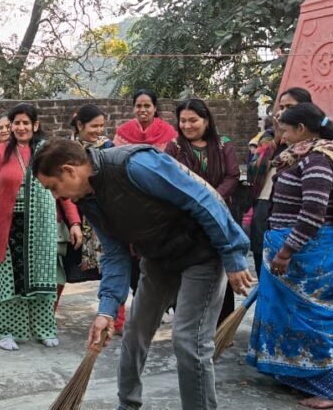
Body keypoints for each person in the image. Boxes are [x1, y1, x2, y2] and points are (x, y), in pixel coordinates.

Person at [32, 138, 253, 410]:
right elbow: (115, 254)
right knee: (135, 334)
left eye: (53, 188)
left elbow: (203, 199)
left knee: (188, 342)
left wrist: (232, 254)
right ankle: (127, 405)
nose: (56, 197)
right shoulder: (89, 199)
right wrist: (106, 310)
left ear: (69, 170)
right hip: (158, 257)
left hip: (202, 254)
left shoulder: (134, 165)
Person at [246, 103, 333, 409]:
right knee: (287, 313)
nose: (282, 135)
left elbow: (313, 212)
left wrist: (286, 251)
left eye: (286, 130)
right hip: (296, 248)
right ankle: (296, 374)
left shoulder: (319, 159)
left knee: (311, 318)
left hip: (307, 253)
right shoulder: (303, 155)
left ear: (302, 129)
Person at [0, 103, 82, 351]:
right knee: (10, 281)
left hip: (42, 228)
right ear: (11, 126)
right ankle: (8, 331)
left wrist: (74, 222)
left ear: (35, 125)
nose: (21, 127)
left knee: (44, 279)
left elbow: (63, 189)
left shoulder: (48, 153)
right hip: (9, 227)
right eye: (17, 123)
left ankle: (44, 329)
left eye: (26, 122)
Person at [164, 98, 240, 325]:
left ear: (206, 121)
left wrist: (212, 199)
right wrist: (195, 203)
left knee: (219, 271)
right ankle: (188, 324)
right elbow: (168, 178)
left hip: (218, 216)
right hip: (186, 219)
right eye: (183, 121)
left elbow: (232, 175)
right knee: (186, 269)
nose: (187, 125)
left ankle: (222, 326)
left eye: (193, 120)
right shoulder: (174, 147)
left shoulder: (223, 144)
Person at [62, 104, 122, 326]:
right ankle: (46, 317)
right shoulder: (66, 150)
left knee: (112, 266)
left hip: (102, 214)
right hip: (73, 214)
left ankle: (116, 319)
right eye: (94, 126)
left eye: (101, 126)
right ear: (79, 125)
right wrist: (73, 221)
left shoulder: (108, 148)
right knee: (61, 268)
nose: (99, 130)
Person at [247, 87, 312, 276]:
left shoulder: (316, 141)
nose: (283, 112)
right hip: (265, 206)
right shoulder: (268, 138)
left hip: (297, 211)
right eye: (281, 107)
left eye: (290, 107)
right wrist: (276, 139)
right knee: (263, 264)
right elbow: (253, 172)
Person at [113, 89, 178, 150]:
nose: (142, 110)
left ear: (155, 108)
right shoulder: (123, 131)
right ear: (134, 108)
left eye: (147, 106)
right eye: (138, 106)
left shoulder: (167, 130)